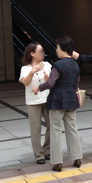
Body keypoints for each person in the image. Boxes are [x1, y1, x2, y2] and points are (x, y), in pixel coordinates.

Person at [33, 37, 82, 172]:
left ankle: (57, 162)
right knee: (72, 129)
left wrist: (38, 87)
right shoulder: (76, 65)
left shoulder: (58, 65)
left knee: (56, 130)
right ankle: (77, 158)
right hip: (71, 100)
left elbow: (50, 83)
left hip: (57, 101)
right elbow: (76, 84)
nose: (56, 50)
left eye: (58, 48)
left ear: (64, 49)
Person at [19, 42, 51, 164]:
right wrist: (32, 71)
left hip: (48, 99)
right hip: (33, 101)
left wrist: (48, 79)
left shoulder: (47, 65)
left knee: (51, 126)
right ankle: (39, 155)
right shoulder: (25, 69)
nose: (43, 53)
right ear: (32, 54)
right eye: (40, 51)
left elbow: (53, 81)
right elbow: (26, 83)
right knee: (35, 129)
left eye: (43, 51)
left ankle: (48, 150)